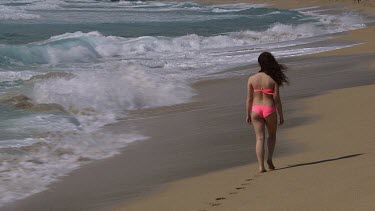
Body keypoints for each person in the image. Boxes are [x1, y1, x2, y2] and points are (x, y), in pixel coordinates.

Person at [246, 52, 288, 173]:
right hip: (269, 109)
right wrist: (281, 115)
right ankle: (269, 159)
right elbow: (277, 100)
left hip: (256, 109)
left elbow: (249, 99)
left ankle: (261, 167)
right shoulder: (272, 79)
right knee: (272, 135)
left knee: (259, 138)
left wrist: (247, 114)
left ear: (259, 64)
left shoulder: (251, 79)